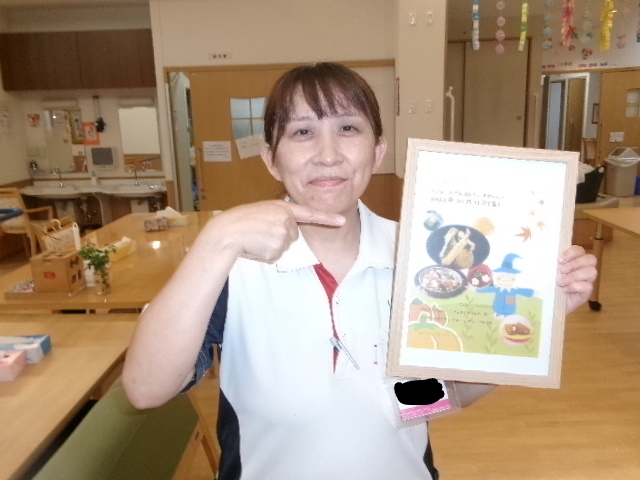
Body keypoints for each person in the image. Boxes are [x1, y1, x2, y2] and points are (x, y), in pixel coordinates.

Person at [122, 62, 597, 480]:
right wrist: (217, 240)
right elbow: (145, 389)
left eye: (348, 128)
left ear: (378, 151)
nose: (327, 154)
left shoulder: (423, 259)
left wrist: (529, 326)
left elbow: (421, 401)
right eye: (302, 132)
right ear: (271, 159)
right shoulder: (232, 264)